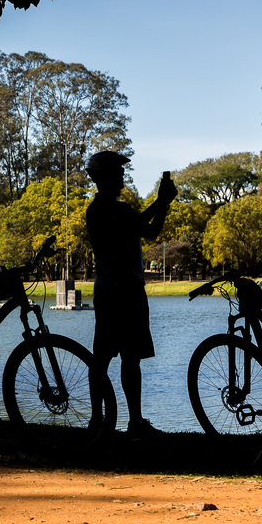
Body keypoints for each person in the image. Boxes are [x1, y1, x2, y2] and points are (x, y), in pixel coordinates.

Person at [85, 150, 177, 438]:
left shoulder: (115, 209)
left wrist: (162, 205)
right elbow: (139, 224)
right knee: (104, 357)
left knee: (127, 358)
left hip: (123, 290)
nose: (122, 176)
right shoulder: (102, 210)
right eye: (117, 172)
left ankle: (128, 420)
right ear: (103, 177)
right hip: (119, 292)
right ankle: (100, 419)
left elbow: (150, 231)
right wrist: (161, 201)